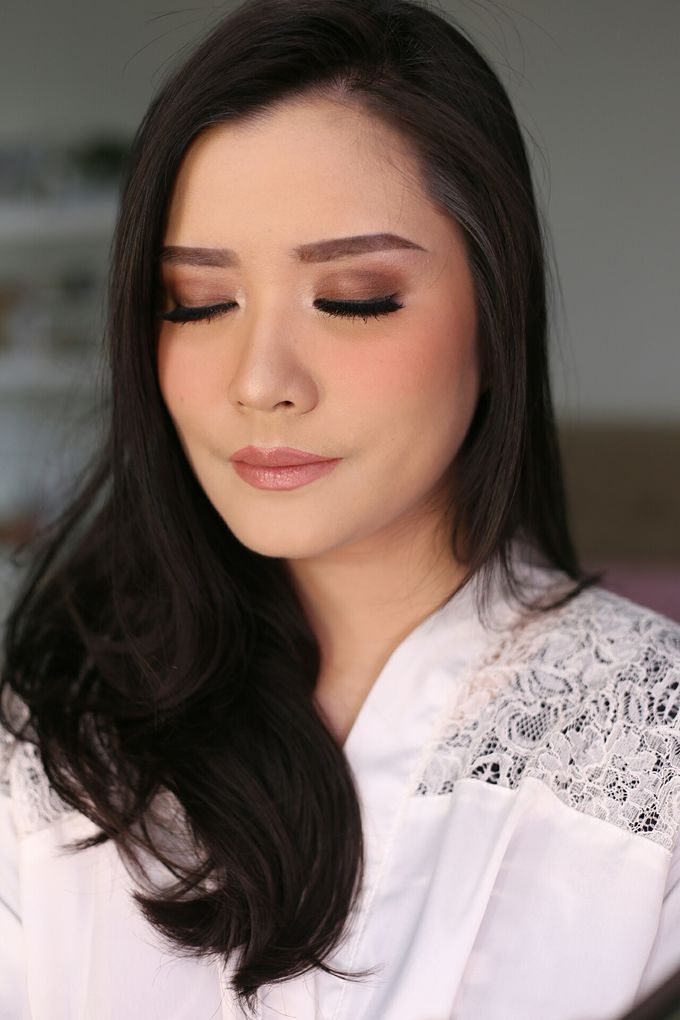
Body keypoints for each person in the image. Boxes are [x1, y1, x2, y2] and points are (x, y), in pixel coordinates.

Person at [1, 1, 679, 1018]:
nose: (260, 381)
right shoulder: (54, 739)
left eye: (353, 297)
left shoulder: (654, 762)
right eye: (196, 301)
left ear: (495, 317)